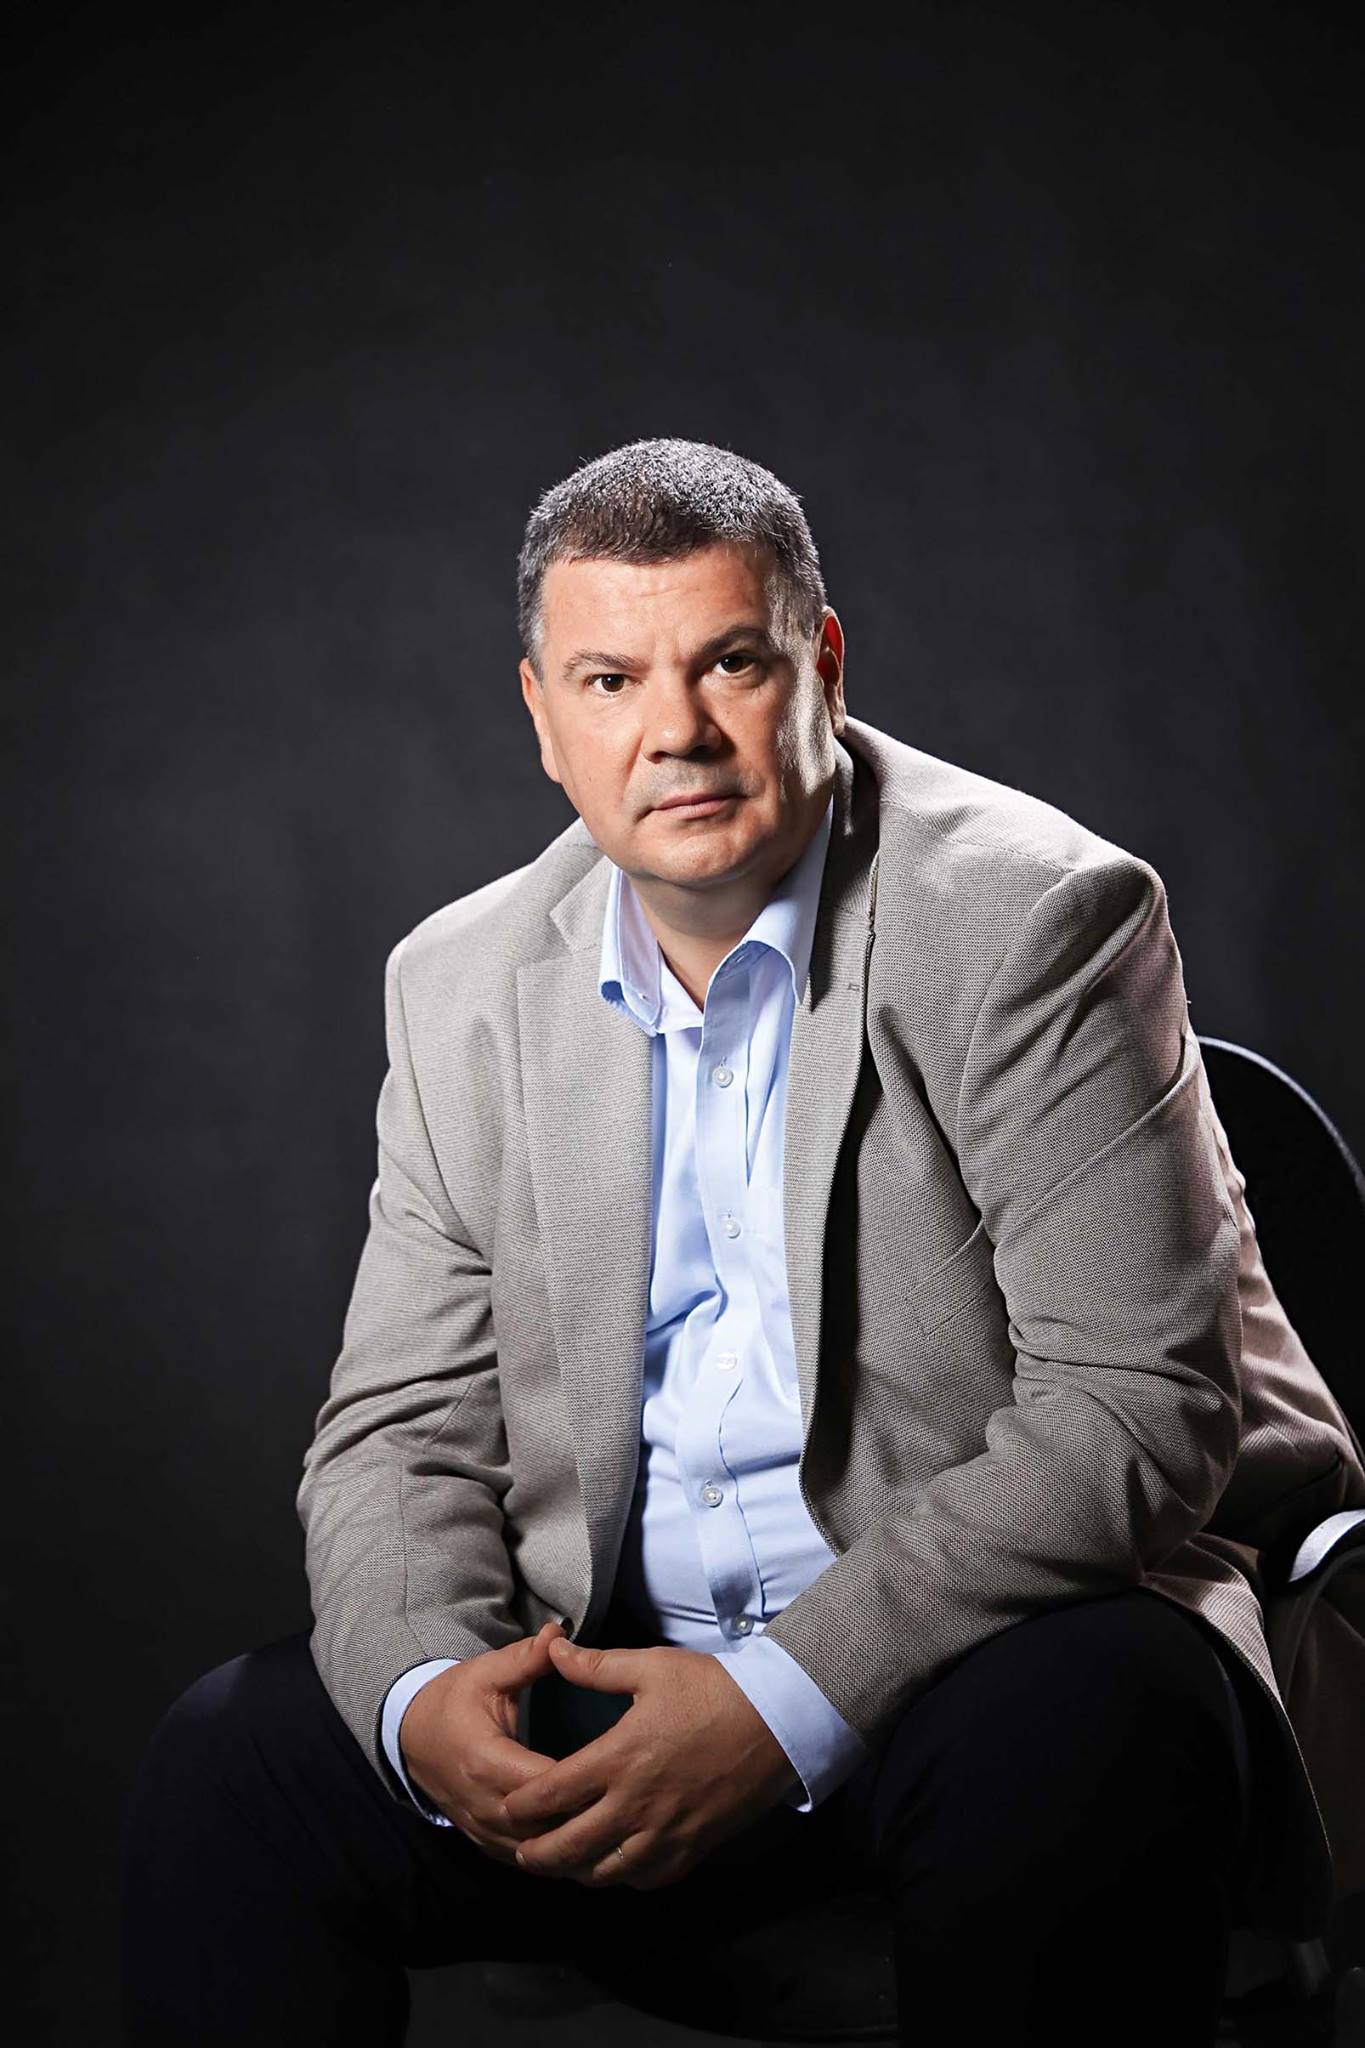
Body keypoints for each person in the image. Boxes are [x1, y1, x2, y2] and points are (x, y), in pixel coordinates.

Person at [122, 437, 1365, 2047]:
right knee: (233, 1763)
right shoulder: (458, 984)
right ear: (542, 717)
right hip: (616, 1678)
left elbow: (1135, 1409)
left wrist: (780, 1704)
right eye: (610, 680)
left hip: (961, 1666)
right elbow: (396, 1429)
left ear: (820, 666)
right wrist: (428, 1697)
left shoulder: (1033, 920)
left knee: (1089, 1707)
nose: (676, 733)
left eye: (728, 662)